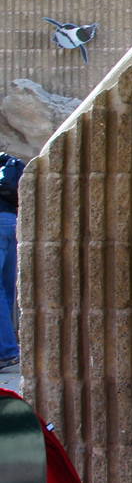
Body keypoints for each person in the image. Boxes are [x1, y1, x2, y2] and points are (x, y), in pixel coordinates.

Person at [0, 154, 24, 372]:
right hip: (10, 222)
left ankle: (6, 351)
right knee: (6, 292)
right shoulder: (10, 163)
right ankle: (7, 350)